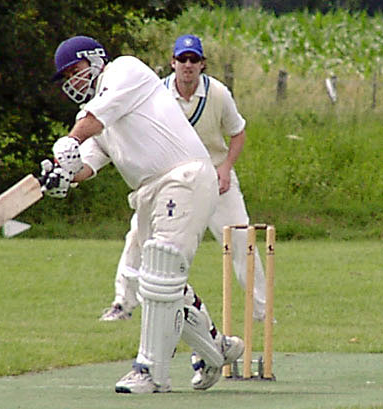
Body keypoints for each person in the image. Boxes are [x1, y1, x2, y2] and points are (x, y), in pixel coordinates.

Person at [43, 35, 244, 394]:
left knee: (162, 267)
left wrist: (69, 141)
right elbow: (89, 161)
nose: (71, 80)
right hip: (150, 192)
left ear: (94, 60)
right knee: (158, 281)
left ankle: (150, 372)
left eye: (75, 70)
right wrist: (64, 176)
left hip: (185, 176)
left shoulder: (125, 70)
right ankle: (217, 349)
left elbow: (90, 123)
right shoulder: (102, 117)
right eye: (66, 76)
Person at [99, 34, 268, 324]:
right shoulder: (157, 93)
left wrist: (226, 167)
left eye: (193, 60)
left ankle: (263, 311)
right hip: (170, 180)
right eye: (182, 59)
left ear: (202, 64)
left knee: (241, 238)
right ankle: (122, 303)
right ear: (172, 63)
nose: (187, 65)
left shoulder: (218, 93)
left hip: (215, 174)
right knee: (138, 237)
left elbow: (237, 132)